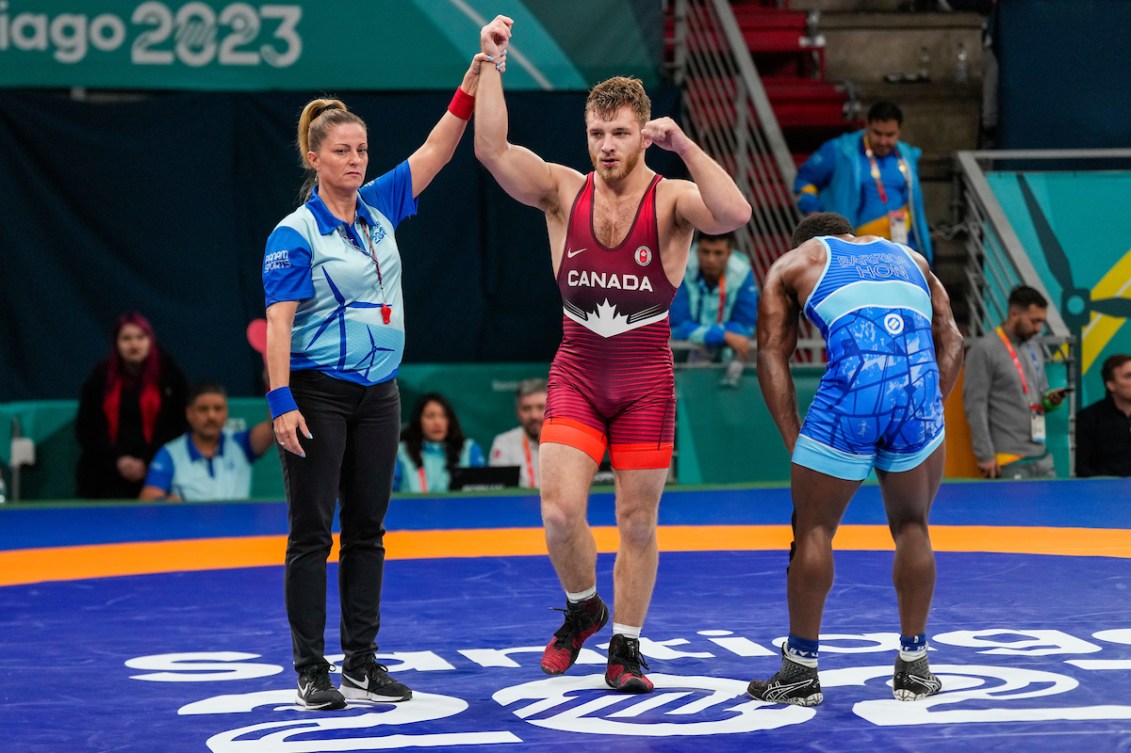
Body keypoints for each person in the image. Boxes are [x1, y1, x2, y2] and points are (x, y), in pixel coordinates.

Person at [474, 17, 752, 693]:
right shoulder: (560, 191)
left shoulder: (672, 201)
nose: (605, 145)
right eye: (596, 132)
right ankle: (583, 608)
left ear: (642, 132)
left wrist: (684, 145)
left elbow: (736, 212)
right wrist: (490, 63)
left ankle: (625, 645)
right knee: (560, 513)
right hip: (577, 371)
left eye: (620, 132)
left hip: (643, 383)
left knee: (635, 519)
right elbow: (490, 149)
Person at [260, 21, 506, 712]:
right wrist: (280, 399)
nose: (357, 159)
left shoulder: (380, 208)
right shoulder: (294, 233)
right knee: (312, 531)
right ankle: (312, 668)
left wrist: (476, 71)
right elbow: (277, 322)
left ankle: (362, 662)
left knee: (368, 529)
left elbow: (438, 147)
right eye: (342, 150)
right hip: (317, 391)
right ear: (314, 156)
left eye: (363, 148)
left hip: (378, 394)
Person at [747, 212, 963, 706]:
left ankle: (800, 672)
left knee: (814, 530)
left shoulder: (796, 261)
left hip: (851, 400)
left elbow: (771, 353)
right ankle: (915, 667)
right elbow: (951, 340)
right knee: (913, 525)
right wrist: (925, 406)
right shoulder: (911, 257)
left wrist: (793, 436)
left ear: (807, 240)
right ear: (849, 234)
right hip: (917, 397)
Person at [793, 102, 933, 264]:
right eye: (877, 133)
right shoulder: (840, 150)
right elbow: (805, 180)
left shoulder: (907, 155)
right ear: (867, 126)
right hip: (852, 254)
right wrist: (814, 215)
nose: (883, 141)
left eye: (890, 135)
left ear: (899, 131)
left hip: (902, 250)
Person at [75, 312, 188, 499]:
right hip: (107, 470)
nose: (134, 345)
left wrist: (146, 461)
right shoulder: (100, 378)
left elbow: (176, 426)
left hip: (157, 467)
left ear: (150, 340)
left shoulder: (170, 376)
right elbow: (87, 429)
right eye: (126, 338)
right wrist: (118, 460)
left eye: (140, 337)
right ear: (116, 343)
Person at [962, 285, 1068, 480]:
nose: (1038, 328)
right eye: (1034, 321)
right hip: (1009, 459)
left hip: (1042, 455)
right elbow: (975, 405)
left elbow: (1038, 395)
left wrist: (1050, 400)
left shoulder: (1034, 346)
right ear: (1014, 314)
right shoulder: (984, 349)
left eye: (1041, 322)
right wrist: (984, 455)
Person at [139, 382, 273, 501]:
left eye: (218, 408)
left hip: (239, 528)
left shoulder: (241, 444)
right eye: (203, 409)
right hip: (191, 528)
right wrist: (167, 504)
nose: (211, 416)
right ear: (189, 413)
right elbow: (148, 501)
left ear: (226, 412)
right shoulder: (170, 453)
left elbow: (274, 425)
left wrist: (272, 382)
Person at [669, 230, 759, 365]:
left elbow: (745, 327)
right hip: (678, 358)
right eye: (705, 252)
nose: (711, 260)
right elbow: (677, 327)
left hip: (724, 358)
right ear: (697, 249)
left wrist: (706, 334)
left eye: (718, 253)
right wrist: (723, 336)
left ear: (729, 253)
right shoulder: (679, 267)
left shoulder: (743, 273)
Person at [394, 392, 485, 492]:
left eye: (443, 416)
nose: (437, 422)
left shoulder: (469, 450)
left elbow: (481, 494)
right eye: (430, 416)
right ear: (418, 420)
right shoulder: (401, 453)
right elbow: (389, 496)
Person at [1075, 354, 1131, 477]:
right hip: (1103, 490)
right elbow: (1081, 467)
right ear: (1111, 385)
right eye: (1128, 376)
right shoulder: (1088, 418)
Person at [488, 378, 547, 488]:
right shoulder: (504, 443)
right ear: (517, 413)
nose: (534, 416)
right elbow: (499, 489)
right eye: (526, 409)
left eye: (540, 407)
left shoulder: (570, 442)